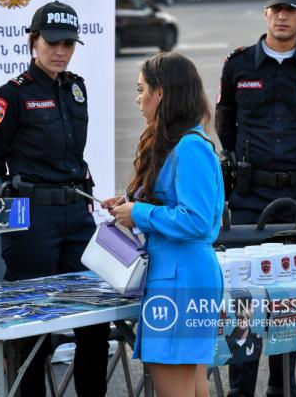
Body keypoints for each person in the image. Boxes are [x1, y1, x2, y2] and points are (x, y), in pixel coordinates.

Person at [215, 0, 296, 397]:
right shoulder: (239, 62)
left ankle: (283, 385)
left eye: (291, 9)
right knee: (245, 296)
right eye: (275, 9)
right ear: (266, 12)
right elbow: (225, 124)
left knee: (290, 295)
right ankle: (240, 389)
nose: (282, 16)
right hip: (249, 196)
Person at [0, 1, 110, 396]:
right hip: (31, 217)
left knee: (95, 318)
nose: (61, 51)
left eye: (69, 43)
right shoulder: (11, 94)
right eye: (53, 42)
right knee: (32, 323)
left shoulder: (77, 88)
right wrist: (8, 226)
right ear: (33, 41)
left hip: (76, 212)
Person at [107, 52, 224, 397]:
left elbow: (198, 221)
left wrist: (139, 214)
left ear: (161, 93)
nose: (138, 98)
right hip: (180, 277)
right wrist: (129, 205)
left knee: (179, 388)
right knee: (192, 387)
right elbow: (175, 205)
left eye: (142, 89)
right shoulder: (177, 144)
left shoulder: (190, 147)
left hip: (180, 280)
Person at [226, 289, 264, 363]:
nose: (243, 314)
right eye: (238, 307)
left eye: (247, 307)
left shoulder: (257, 342)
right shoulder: (225, 344)